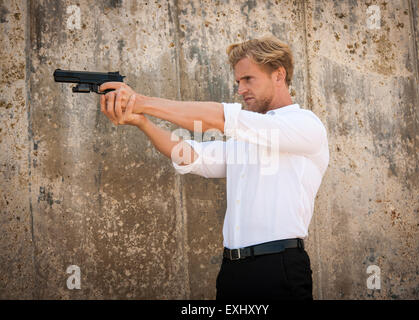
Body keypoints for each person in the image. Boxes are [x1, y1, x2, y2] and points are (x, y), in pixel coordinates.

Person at [99, 36, 329, 300]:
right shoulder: (245, 138)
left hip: (278, 268)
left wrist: (140, 101)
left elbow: (220, 118)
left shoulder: (305, 125)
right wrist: (142, 122)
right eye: (238, 82)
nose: (241, 89)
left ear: (278, 75)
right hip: (232, 271)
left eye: (248, 79)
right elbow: (190, 155)